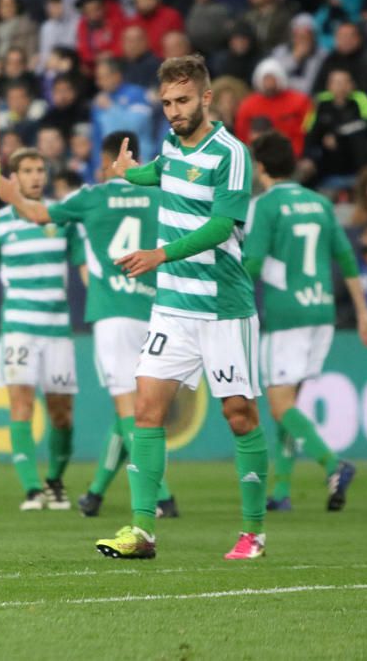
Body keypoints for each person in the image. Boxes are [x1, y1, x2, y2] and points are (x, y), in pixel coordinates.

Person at [94, 55, 269, 561]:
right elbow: (166, 171)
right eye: (167, 102)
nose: (173, 110)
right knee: (145, 412)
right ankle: (142, 531)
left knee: (239, 415)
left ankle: (253, 533)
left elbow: (221, 226)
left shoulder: (232, 154)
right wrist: (133, 174)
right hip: (172, 308)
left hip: (222, 308)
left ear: (207, 98)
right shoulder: (171, 144)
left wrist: (160, 254)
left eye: (183, 101)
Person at [0, 131, 178, 518]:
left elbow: (36, 213)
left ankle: (159, 495)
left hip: (112, 313)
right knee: (136, 408)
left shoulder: (90, 198)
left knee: (128, 407)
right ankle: (94, 492)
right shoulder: (161, 197)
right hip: (157, 311)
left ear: (106, 161)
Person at [244, 131, 367, 513]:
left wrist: (222, 281)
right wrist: (364, 312)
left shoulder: (264, 206)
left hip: (287, 315)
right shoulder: (320, 203)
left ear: (260, 166)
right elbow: (347, 260)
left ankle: (334, 465)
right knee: (291, 404)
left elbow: (252, 265)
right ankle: (282, 492)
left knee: (278, 405)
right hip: (322, 313)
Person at [0, 147, 84, 510]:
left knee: (61, 412)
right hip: (18, 329)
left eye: (40, 170)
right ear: (14, 178)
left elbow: (85, 269)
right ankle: (31, 488)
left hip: (57, 329)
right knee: (21, 406)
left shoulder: (62, 218)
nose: (36, 176)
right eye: (27, 170)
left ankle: (55, 480)